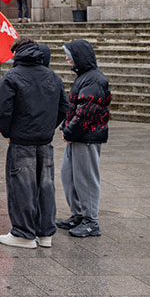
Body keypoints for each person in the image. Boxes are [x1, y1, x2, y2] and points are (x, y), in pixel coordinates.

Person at [0, 38, 69, 249]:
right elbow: (64, 107)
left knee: (22, 187)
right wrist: (48, 127)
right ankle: (45, 232)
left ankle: (23, 233)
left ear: (17, 54)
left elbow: (3, 110)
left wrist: (8, 132)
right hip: (44, 140)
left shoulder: (12, 77)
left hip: (22, 140)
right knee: (45, 186)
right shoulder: (52, 76)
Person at [56, 40, 111, 238]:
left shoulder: (93, 80)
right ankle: (79, 214)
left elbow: (87, 112)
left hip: (86, 137)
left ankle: (90, 220)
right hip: (78, 136)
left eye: (69, 55)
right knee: (69, 176)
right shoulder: (85, 77)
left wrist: (69, 131)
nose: (66, 58)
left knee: (86, 179)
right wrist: (67, 129)